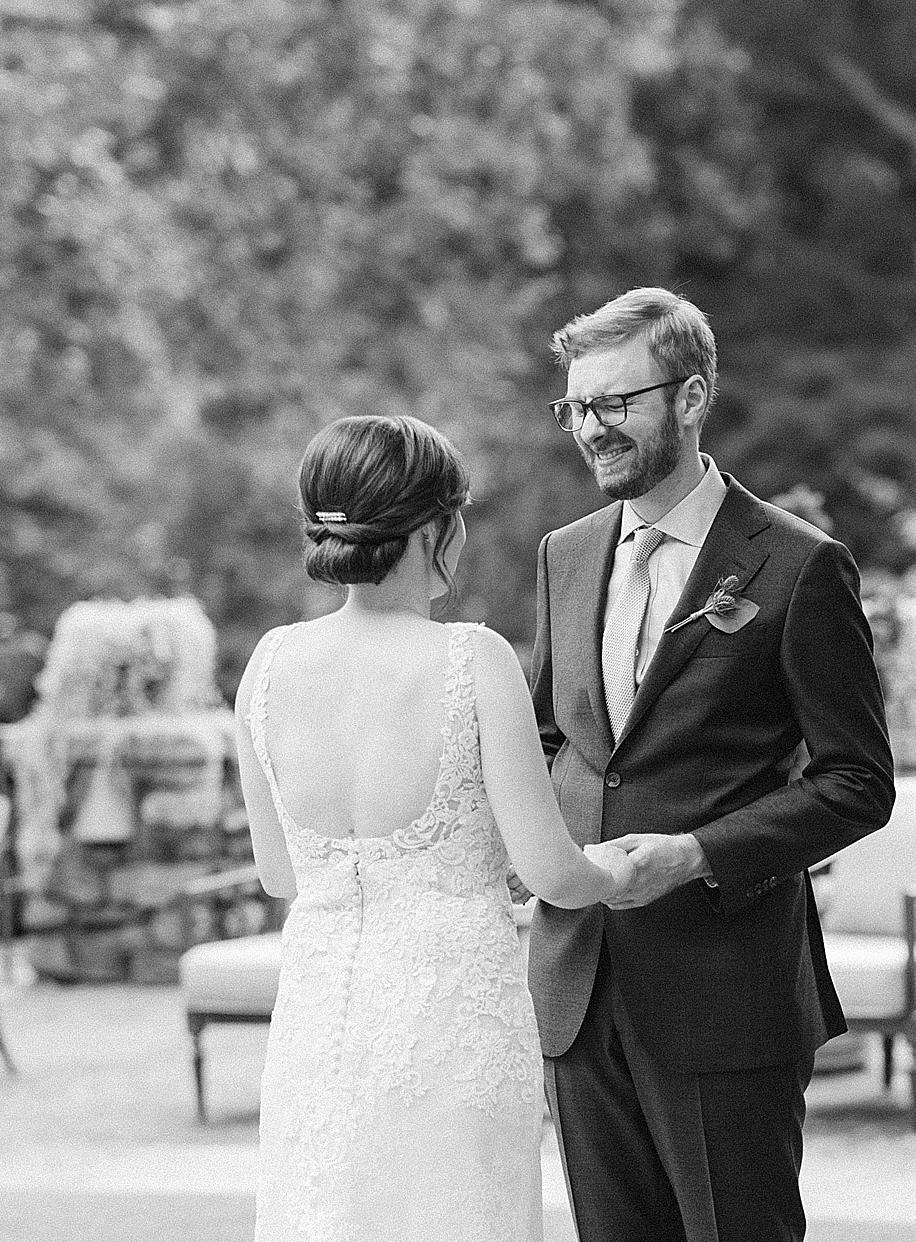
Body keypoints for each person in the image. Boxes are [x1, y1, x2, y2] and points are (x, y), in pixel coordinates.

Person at [530, 288, 896, 1242]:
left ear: (691, 398)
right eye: (576, 407)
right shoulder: (564, 557)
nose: (591, 430)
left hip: (726, 990)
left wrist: (695, 853)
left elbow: (858, 781)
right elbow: (555, 742)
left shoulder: (798, 566)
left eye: (616, 403)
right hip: (578, 983)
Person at [234, 415, 635, 1242]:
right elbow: (552, 873)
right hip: (452, 1021)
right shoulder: (471, 658)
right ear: (439, 529)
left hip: (319, 1020)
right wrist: (628, 868)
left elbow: (283, 876)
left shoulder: (267, 664)